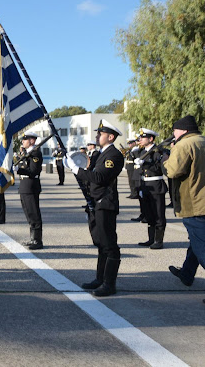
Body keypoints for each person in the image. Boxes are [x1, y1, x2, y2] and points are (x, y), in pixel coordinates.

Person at [65, 119, 124, 297]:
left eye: (100, 133)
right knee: (100, 243)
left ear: (111, 136)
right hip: (95, 203)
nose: (97, 136)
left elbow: (99, 178)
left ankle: (109, 284)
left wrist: (76, 169)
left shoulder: (114, 155)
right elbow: (89, 173)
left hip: (105, 203)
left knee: (109, 244)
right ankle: (100, 279)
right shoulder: (99, 154)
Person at [163, 115, 205, 302]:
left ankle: (187, 273)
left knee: (201, 246)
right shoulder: (202, 141)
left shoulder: (183, 145)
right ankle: (187, 273)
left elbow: (173, 171)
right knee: (196, 242)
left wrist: (167, 158)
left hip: (194, 204)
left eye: (175, 130)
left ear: (184, 130)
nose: (174, 133)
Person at [134, 128, 168, 249]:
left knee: (158, 214)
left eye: (143, 137)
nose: (140, 140)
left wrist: (145, 164)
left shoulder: (158, 152)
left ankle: (158, 241)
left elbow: (160, 168)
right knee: (149, 214)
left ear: (151, 139)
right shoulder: (143, 151)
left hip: (156, 185)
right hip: (145, 185)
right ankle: (151, 239)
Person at [13, 132, 43, 250]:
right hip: (24, 186)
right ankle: (33, 238)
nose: (22, 142)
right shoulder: (27, 153)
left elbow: (34, 171)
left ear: (32, 141)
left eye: (25, 140)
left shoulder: (35, 153)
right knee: (29, 214)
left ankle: (37, 240)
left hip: (30, 186)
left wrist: (18, 170)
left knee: (34, 213)